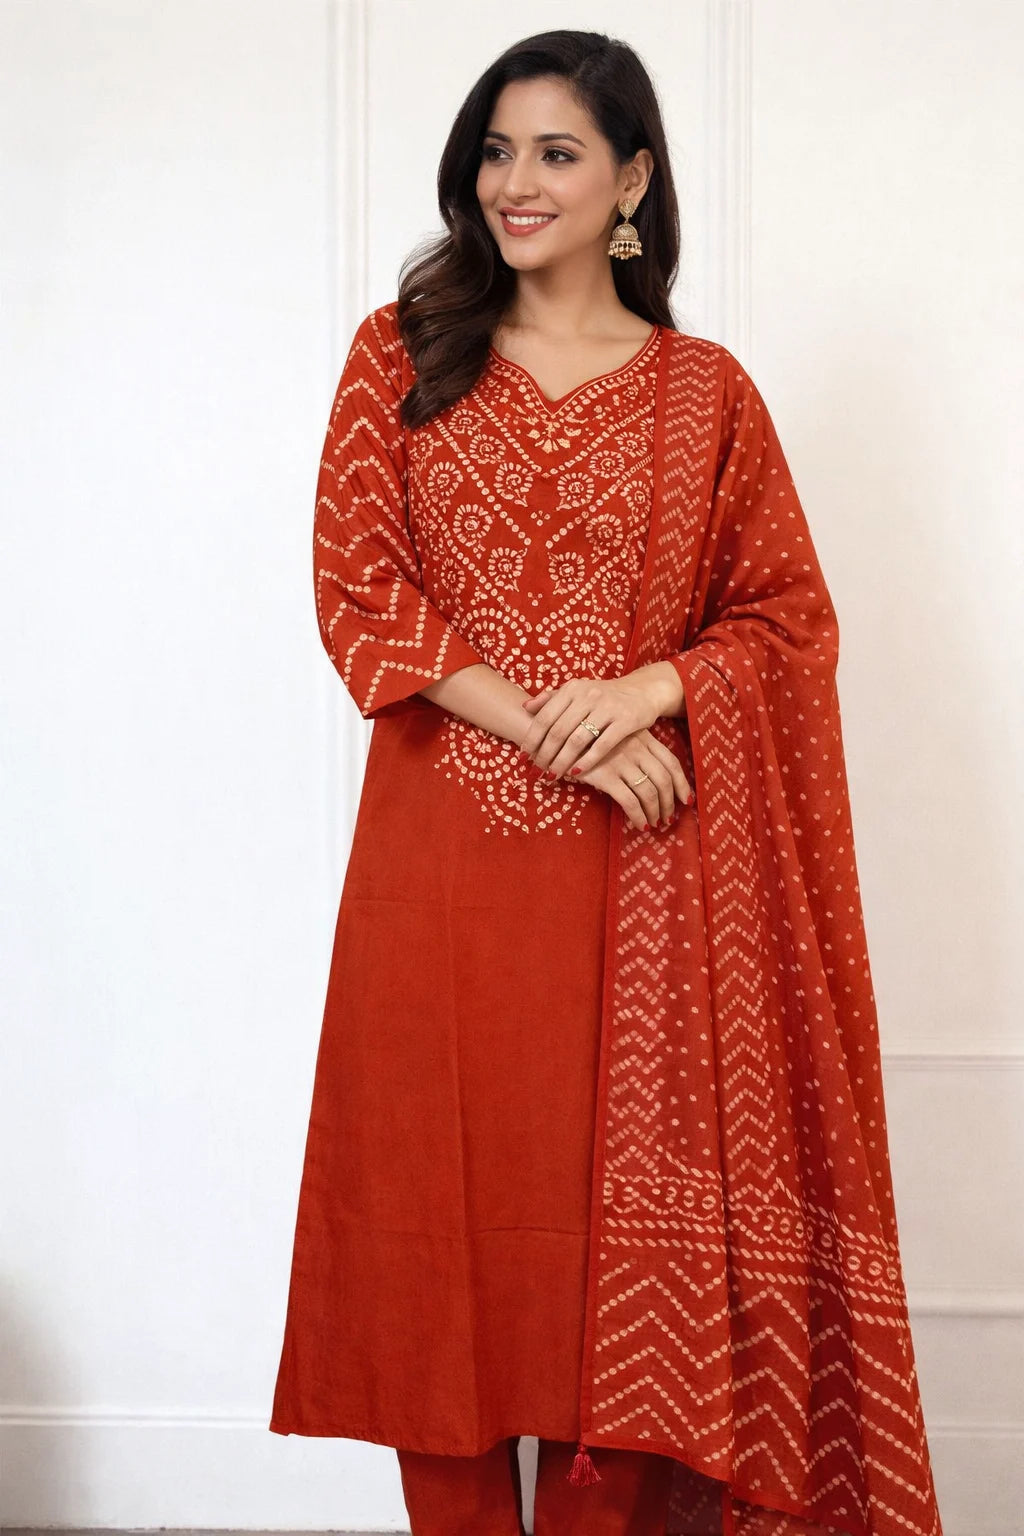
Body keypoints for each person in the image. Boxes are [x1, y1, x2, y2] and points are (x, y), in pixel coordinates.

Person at [269, 28, 944, 1536]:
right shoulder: (403, 356)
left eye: (558, 152)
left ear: (633, 177)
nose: (518, 183)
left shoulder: (707, 396)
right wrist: (548, 722)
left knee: (633, 1277)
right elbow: (356, 589)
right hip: (439, 884)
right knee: (443, 1262)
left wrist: (654, 687)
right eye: (497, 152)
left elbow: (787, 620)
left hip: (649, 902)